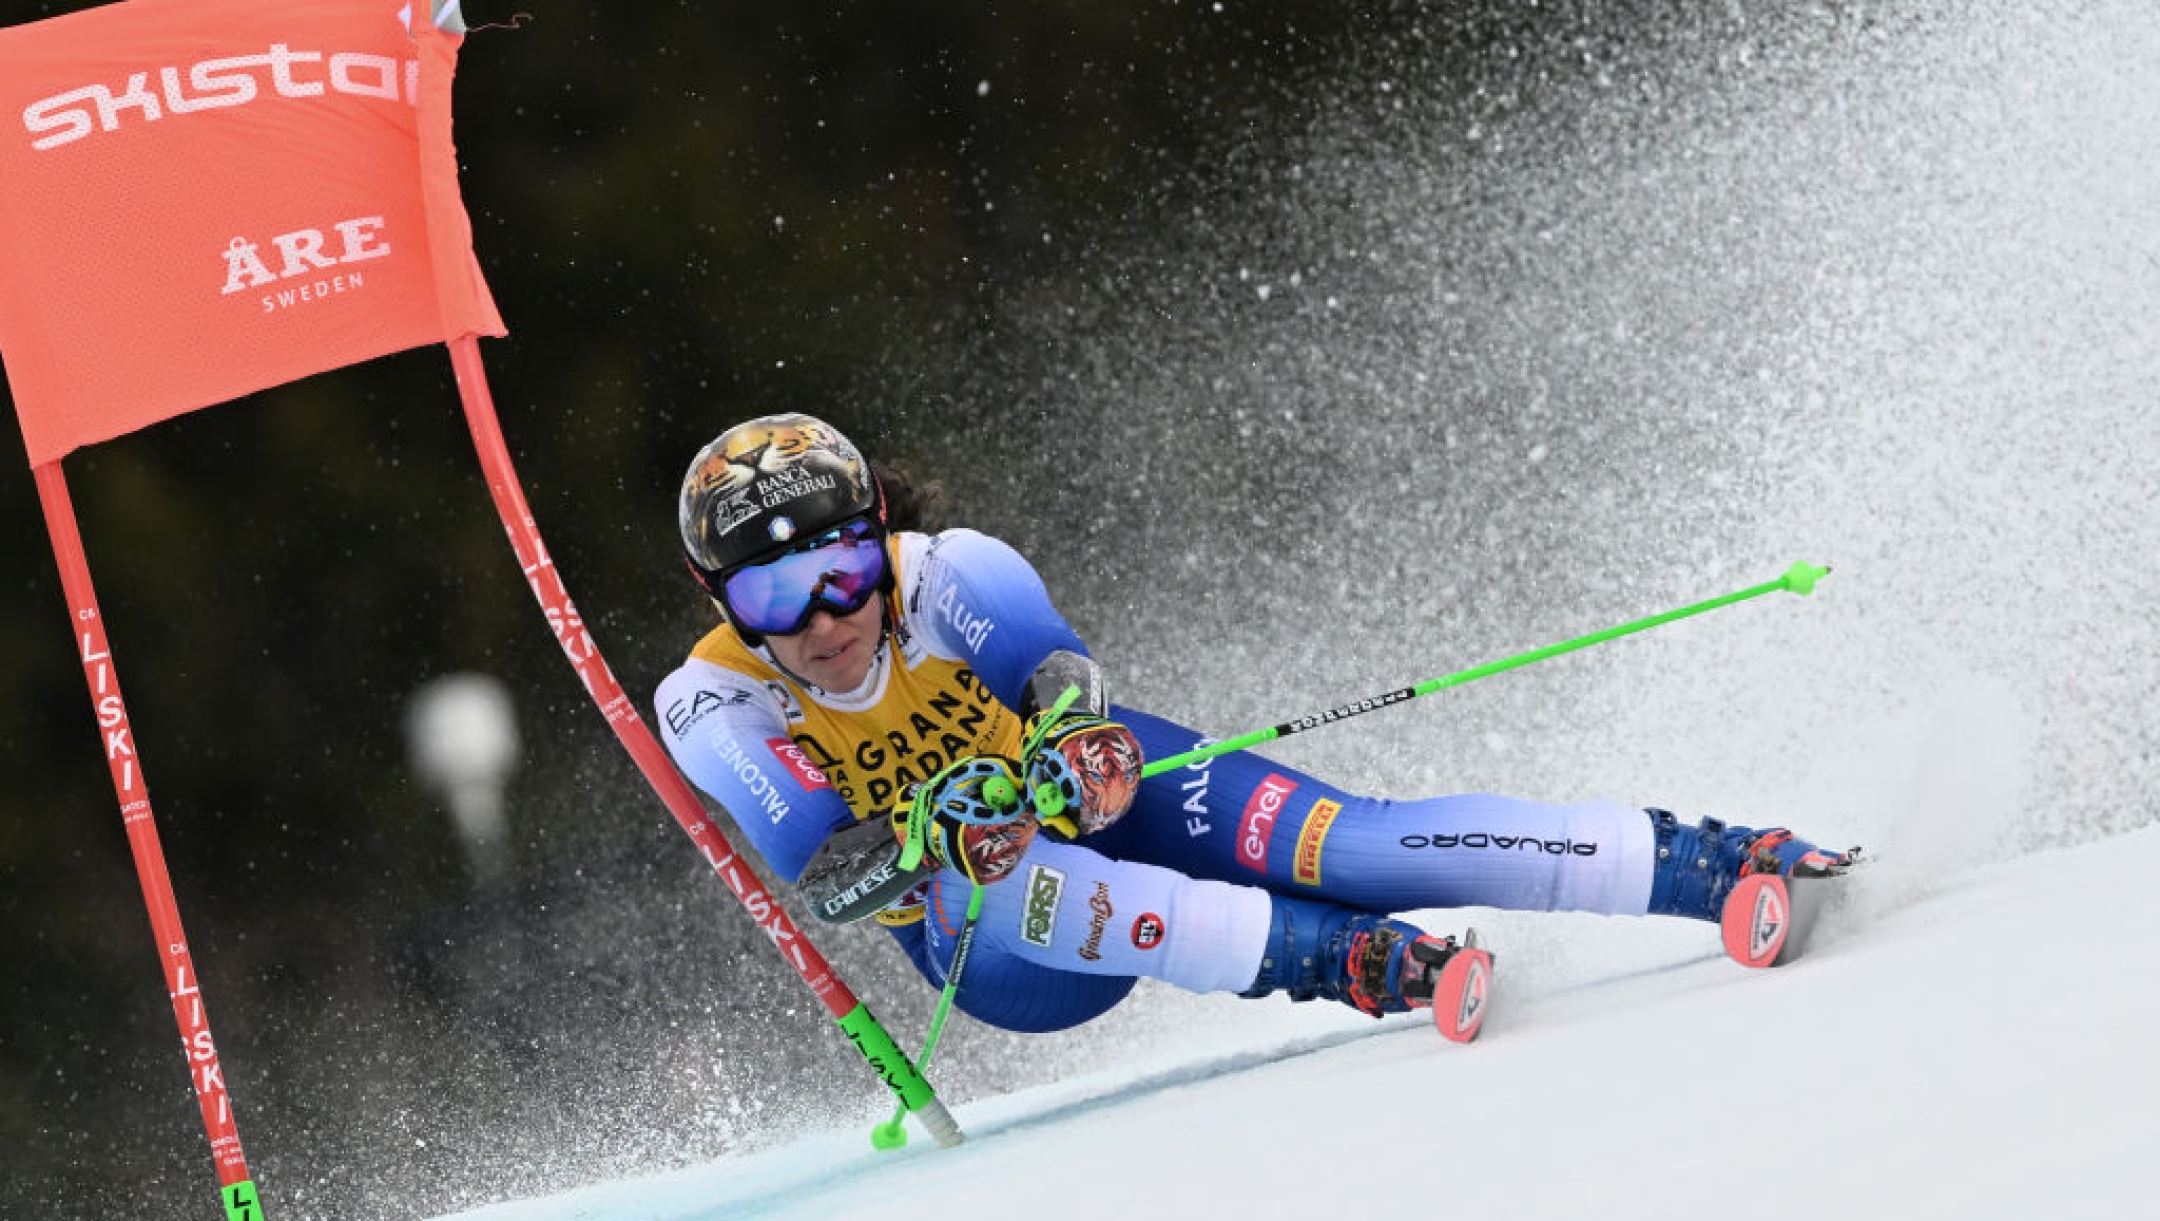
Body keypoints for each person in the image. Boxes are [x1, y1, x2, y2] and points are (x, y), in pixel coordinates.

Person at [654, 413, 1852, 1033]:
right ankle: (1347, 964)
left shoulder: (943, 570)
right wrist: (931, 835)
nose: (825, 618)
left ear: (878, 539)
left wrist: (1073, 740)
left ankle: (1710, 862)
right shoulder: (712, 698)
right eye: (773, 595)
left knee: (1356, 845)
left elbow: (1054, 670)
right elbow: (828, 867)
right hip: (1013, 952)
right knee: (999, 882)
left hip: (1099, 806)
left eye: (844, 570)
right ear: (723, 604)